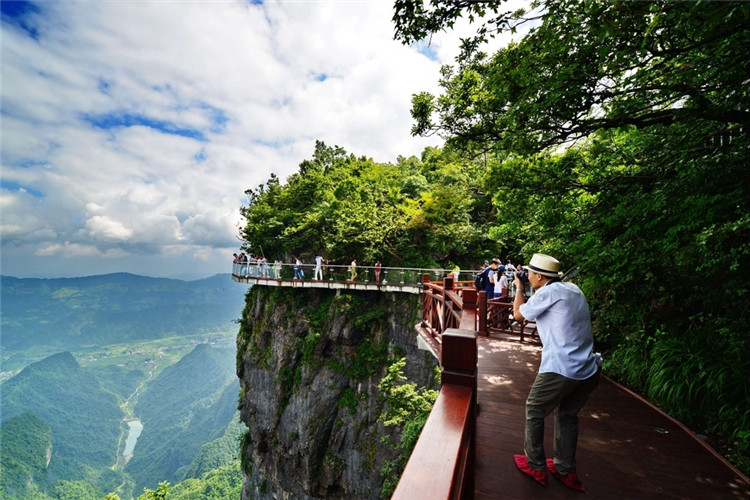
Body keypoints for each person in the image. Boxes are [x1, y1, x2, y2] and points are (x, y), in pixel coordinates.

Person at [511, 253, 600, 492]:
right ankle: (565, 468)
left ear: (539, 276)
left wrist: (519, 289)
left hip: (562, 367)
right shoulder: (573, 289)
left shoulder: (548, 293)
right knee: (567, 414)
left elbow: (518, 315)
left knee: (534, 409)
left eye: (529, 274)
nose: (527, 277)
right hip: (588, 368)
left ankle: (535, 465)